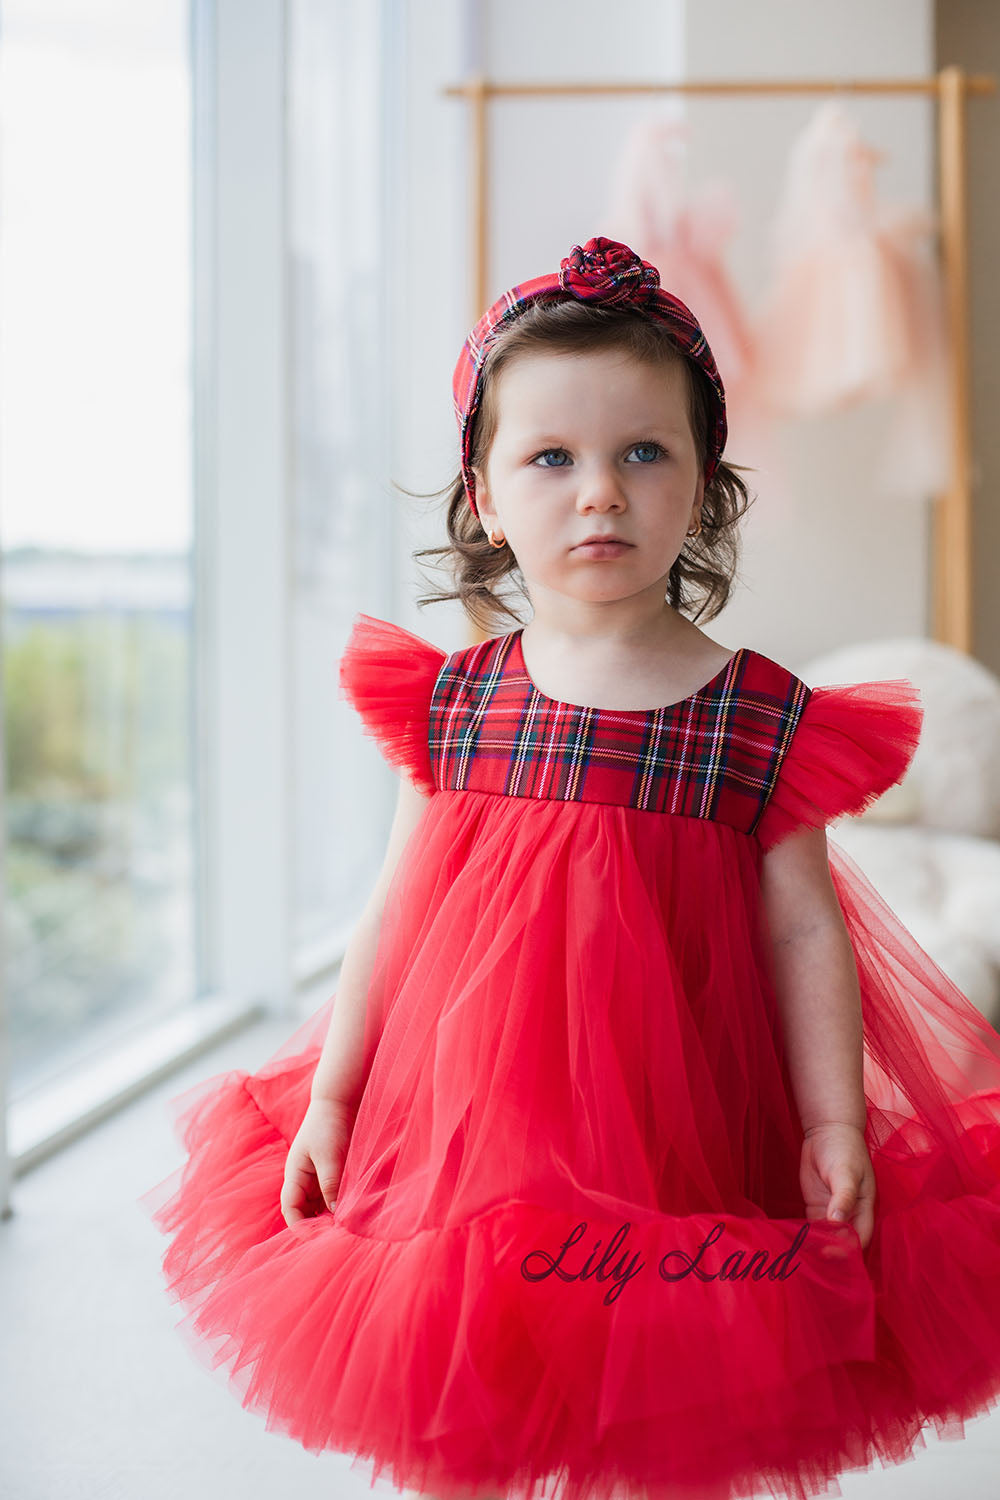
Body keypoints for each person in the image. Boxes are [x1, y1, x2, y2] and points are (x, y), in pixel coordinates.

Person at [139, 236, 1000, 1500]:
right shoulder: (457, 703)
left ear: (705, 485)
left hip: (685, 1114)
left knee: (674, 1367)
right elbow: (397, 907)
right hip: (473, 1107)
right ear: (483, 496)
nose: (599, 491)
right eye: (551, 458)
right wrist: (334, 1094)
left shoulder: (756, 715)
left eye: (643, 452)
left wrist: (828, 1119)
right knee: (464, 1348)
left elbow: (804, 931)